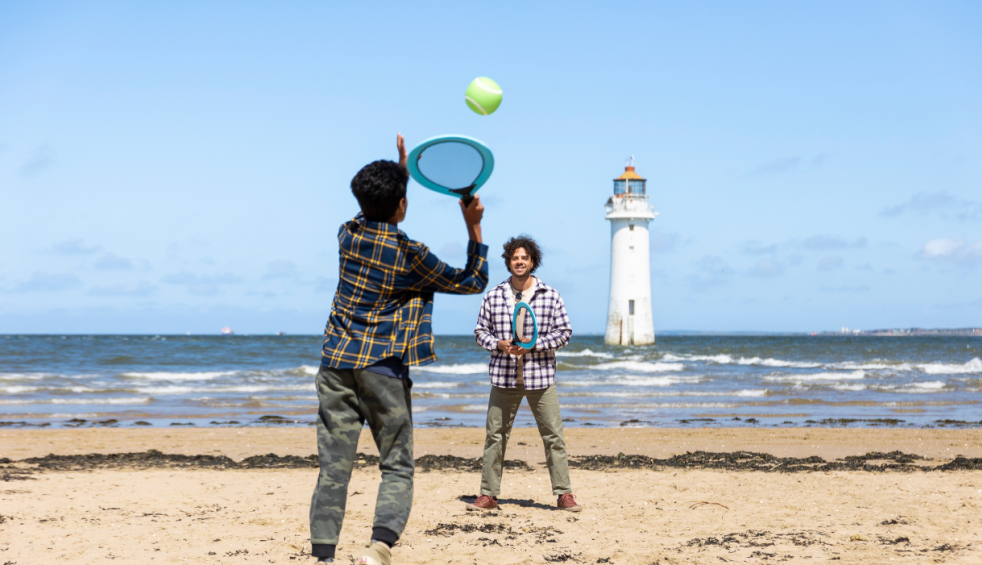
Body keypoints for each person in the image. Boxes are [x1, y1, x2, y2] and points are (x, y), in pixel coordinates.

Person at [310, 134, 489, 565]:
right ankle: (379, 546)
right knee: (396, 463)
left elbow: (376, 205)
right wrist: (474, 225)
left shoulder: (346, 234)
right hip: (382, 368)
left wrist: (401, 170)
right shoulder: (410, 254)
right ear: (403, 205)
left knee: (334, 467)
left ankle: (323, 556)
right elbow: (473, 281)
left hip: (335, 363)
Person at [468, 235, 581, 513]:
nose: (519, 262)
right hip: (503, 379)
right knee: (495, 436)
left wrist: (532, 346)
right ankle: (488, 495)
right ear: (508, 261)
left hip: (540, 378)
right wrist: (499, 344)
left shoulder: (550, 295)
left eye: (524, 258)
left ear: (532, 261)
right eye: (514, 258)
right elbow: (480, 332)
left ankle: (564, 495)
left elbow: (564, 333)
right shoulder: (493, 295)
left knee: (554, 436)